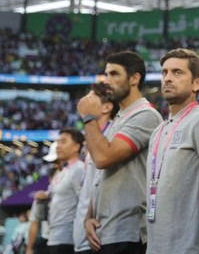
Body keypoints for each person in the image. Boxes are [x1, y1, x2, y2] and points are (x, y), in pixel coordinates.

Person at [76, 51, 162, 254]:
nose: (107, 81)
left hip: (128, 232)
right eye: (106, 75)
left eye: (114, 74)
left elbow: (103, 158)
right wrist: (89, 216)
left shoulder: (145, 115)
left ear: (134, 78)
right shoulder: (120, 117)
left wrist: (89, 117)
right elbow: (100, 176)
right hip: (107, 229)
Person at [146, 49, 199, 253]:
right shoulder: (158, 131)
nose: (167, 78)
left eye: (177, 72)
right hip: (156, 246)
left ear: (197, 83)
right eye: (164, 72)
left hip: (190, 247)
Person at [73, 84, 118, 254]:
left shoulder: (110, 139)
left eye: (91, 98)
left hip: (97, 237)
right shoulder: (91, 140)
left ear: (107, 107)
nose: (83, 101)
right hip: (82, 236)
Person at [44, 129, 85, 254]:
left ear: (76, 146)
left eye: (63, 142)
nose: (58, 146)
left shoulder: (79, 169)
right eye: (57, 142)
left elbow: (83, 202)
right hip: (54, 236)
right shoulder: (63, 171)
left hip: (67, 237)